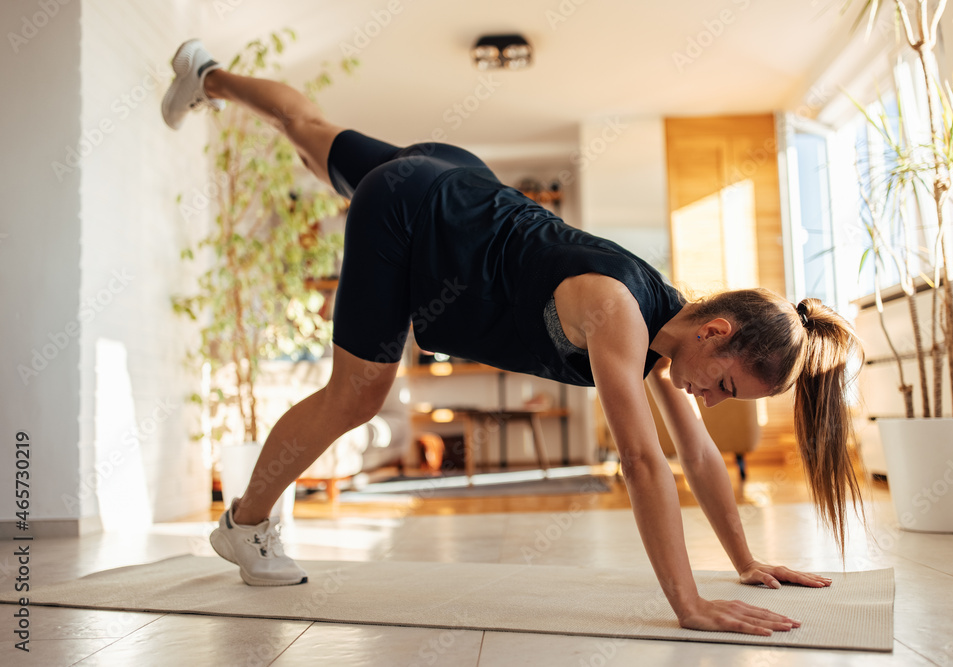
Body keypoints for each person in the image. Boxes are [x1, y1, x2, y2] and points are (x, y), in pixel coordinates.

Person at [162, 39, 865, 636]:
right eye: (725, 384)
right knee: (358, 394)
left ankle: (206, 74)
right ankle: (244, 524)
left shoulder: (669, 324)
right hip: (411, 215)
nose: (709, 400)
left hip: (452, 176)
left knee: (311, 131)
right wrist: (688, 602)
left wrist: (745, 562)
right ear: (718, 332)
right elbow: (646, 463)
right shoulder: (621, 315)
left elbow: (701, 457)